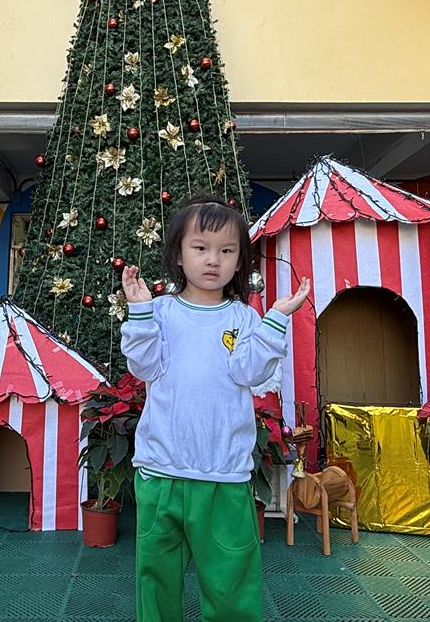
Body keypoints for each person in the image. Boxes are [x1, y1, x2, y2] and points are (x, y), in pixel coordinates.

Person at [121, 194, 311, 622]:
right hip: (161, 472)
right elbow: (143, 366)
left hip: (224, 475)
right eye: (200, 247)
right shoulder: (161, 311)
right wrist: (139, 311)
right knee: (156, 581)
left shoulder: (242, 317)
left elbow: (251, 372)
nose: (213, 260)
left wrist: (276, 318)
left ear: (240, 260)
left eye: (227, 250)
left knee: (232, 585)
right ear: (178, 254)